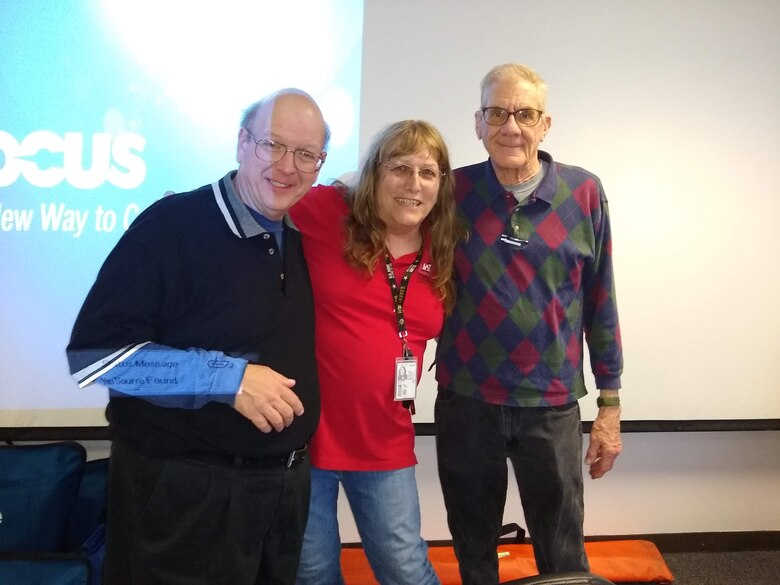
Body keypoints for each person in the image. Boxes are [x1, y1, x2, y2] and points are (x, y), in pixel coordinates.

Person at [66, 88, 329, 585]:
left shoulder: (300, 237)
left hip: (281, 494)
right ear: (240, 143)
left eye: (305, 154)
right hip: (185, 497)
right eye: (272, 145)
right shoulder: (171, 226)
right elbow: (96, 357)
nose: (287, 166)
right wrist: (226, 379)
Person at [434, 63, 624, 584]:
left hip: (552, 405)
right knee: (473, 553)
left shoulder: (584, 193)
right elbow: (389, 208)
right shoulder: (451, 192)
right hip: (467, 401)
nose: (510, 126)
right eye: (497, 113)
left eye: (525, 114)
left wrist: (610, 405)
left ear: (545, 125)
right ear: (478, 123)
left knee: (564, 556)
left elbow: (602, 300)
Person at [290, 120, 463, 585]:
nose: (414, 184)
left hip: (384, 441)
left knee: (407, 571)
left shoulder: (446, 249)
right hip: (304, 439)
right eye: (399, 168)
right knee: (313, 573)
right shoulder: (327, 212)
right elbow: (261, 191)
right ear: (373, 174)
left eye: (429, 172)